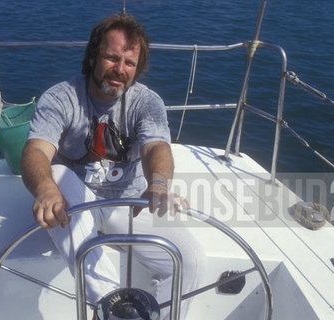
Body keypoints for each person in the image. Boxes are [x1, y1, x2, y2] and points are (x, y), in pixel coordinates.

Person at [21, 13, 206, 319]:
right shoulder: (61, 97)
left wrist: (158, 184)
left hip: (129, 203)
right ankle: (113, 304)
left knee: (191, 259)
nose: (120, 69)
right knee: (55, 172)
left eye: (130, 63)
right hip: (74, 204)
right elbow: (36, 149)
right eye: (111, 57)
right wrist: (44, 189)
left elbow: (156, 147)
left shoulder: (146, 102)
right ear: (93, 57)